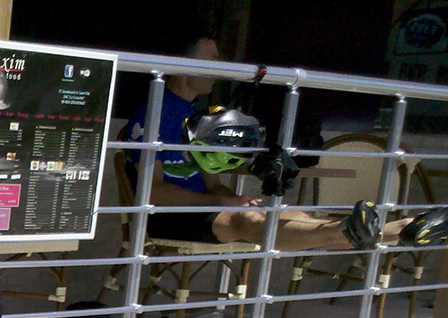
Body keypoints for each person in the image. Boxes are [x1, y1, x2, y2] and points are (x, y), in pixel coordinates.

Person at [126, 36, 448, 251]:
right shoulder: (154, 113)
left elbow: (212, 184)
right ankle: (392, 231)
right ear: (185, 65)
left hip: (205, 211)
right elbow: (151, 192)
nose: (220, 67)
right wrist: (227, 205)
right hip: (167, 215)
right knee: (253, 222)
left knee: (290, 214)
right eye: (213, 59)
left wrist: (232, 197)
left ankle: (401, 229)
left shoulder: (198, 115)